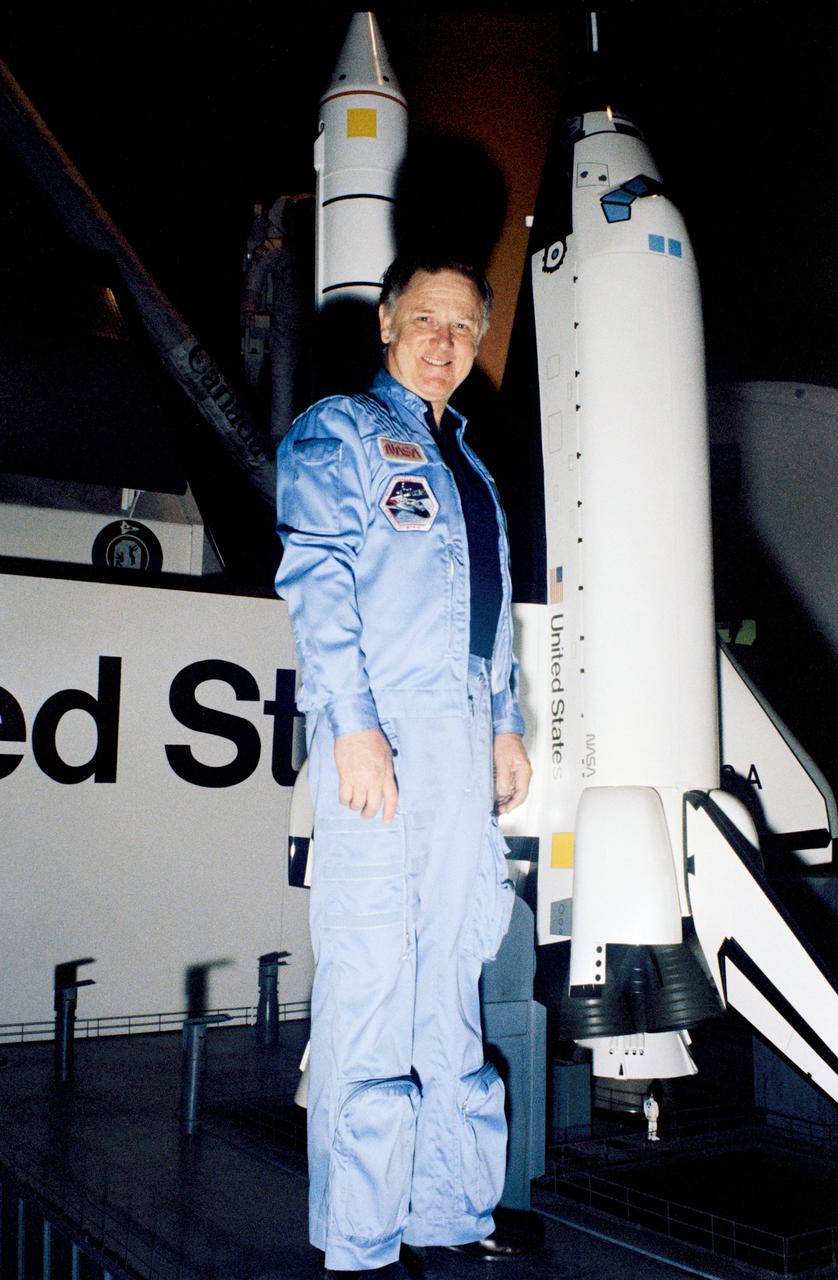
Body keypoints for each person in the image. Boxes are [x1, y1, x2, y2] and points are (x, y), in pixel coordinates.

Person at [275, 254, 532, 1276]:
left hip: (463, 738)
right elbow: (317, 579)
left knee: (451, 973)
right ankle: (361, 1240)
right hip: (381, 729)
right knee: (373, 979)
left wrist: (504, 724)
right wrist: (352, 726)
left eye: (462, 327)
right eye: (425, 319)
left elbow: (490, 615)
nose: (442, 342)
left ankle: (450, 1210)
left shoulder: (471, 466)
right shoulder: (337, 432)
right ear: (386, 321)